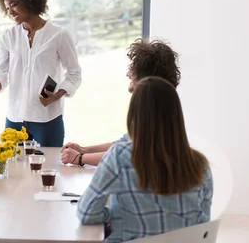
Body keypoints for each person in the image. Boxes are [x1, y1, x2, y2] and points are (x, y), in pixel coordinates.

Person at [77, 77, 213, 242]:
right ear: (177, 116)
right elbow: (203, 226)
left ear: (134, 115)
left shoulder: (120, 156)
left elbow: (87, 213)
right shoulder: (200, 164)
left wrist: (112, 215)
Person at [0, 0, 81, 146]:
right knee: (12, 171)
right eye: (7, 6)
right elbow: (1, 75)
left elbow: (74, 73)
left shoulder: (59, 35)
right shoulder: (8, 36)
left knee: (48, 169)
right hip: (15, 119)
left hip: (48, 119)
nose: (10, 10)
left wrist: (58, 94)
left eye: (14, 4)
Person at [61, 38, 180, 166]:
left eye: (132, 69)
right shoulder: (159, 104)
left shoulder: (152, 110)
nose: (128, 74)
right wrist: (84, 150)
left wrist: (80, 158)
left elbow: (128, 154)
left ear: (145, 77)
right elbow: (124, 143)